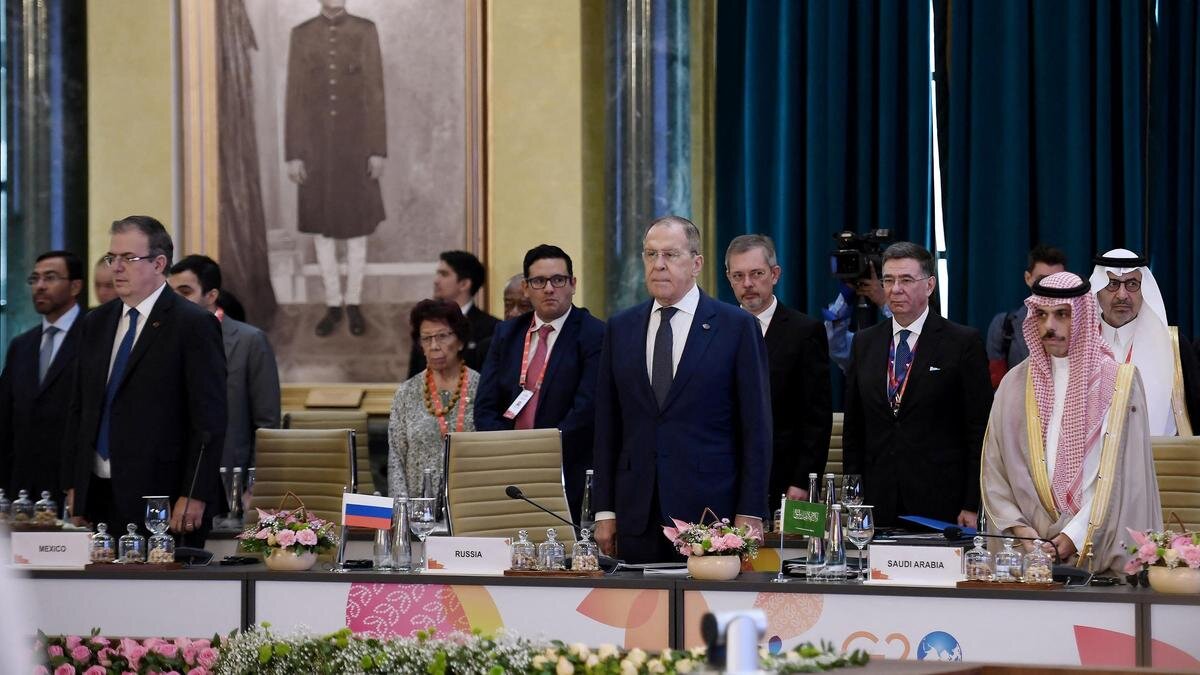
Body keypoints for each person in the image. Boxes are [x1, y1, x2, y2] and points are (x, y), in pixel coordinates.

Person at [592, 216, 772, 563]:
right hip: (636, 513)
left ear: (696, 264)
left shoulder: (736, 327)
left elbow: (757, 428)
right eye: (650, 254)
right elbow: (607, 427)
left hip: (710, 515)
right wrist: (605, 510)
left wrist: (751, 510)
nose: (658, 264)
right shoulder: (621, 327)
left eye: (670, 255)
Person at [982, 272, 1161, 575]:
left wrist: (1072, 537)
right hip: (1026, 556)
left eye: (1062, 315)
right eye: (1041, 315)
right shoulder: (1014, 384)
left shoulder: (1119, 383)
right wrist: (1024, 535)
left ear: (1082, 317)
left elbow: (1124, 479)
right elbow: (995, 472)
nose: (1049, 326)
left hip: (1097, 554)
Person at [63, 216, 226, 543]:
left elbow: (209, 419)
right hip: (99, 493)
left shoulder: (192, 323)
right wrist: (74, 484)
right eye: (112, 258)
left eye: (128, 258)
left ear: (159, 263)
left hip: (165, 497)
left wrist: (195, 492)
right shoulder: (96, 323)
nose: (116, 268)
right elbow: (80, 408)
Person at [842, 242, 992, 528]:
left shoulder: (961, 343)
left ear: (929, 285)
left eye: (906, 280)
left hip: (941, 503)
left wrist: (972, 503)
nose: (895, 289)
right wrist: (854, 496)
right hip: (877, 502)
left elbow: (979, 432)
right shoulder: (865, 342)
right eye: (889, 280)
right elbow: (854, 430)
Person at [475, 245, 605, 522]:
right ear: (526, 288)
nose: (549, 289)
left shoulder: (594, 333)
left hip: (565, 469)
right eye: (539, 281)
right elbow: (485, 406)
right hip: (507, 468)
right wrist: (508, 450)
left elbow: (587, 409)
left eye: (558, 280)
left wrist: (539, 453)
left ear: (573, 284)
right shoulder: (507, 333)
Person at [286, 0, 386, 338]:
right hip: (315, 150)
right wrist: (294, 154)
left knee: (357, 231)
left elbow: (375, 92)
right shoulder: (301, 34)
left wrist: (377, 150)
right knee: (322, 231)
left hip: (356, 147)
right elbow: (294, 97)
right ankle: (333, 304)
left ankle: (353, 302)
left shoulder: (365, 30)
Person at [724, 235, 832, 506]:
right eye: (738, 276)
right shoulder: (715, 330)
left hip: (784, 480)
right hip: (724, 477)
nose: (747, 284)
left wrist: (803, 480)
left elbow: (816, 418)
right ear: (729, 279)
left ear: (775, 274)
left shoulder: (804, 332)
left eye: (756, 273)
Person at [168, 255, 281, 481]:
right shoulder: (164, 338)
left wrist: (254, 485)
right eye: (171, 293)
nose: (175, 301)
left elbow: (267, 424)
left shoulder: (250, 341)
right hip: (174, 471)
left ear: (211, 295)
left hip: (228, 474)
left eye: (185, 292)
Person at [0, 251, 85, 499]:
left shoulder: (94, 336)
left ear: (75, 286)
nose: (40, 286)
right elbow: (6, 418)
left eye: (50, 278)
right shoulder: (21, 345)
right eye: (34, 279)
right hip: (23, 488)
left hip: (72, 483)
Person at [1090, 249, 1200, 436]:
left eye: (1132, 284)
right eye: (1112, 284)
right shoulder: (1081, 345)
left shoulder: (1173, 345)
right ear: (1097, 291)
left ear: (1145, 291)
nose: (1122, 295)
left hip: (1160, 453)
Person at [389, 299, 480, 499]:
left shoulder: (481, 388)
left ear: (460, 341)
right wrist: (402, 509)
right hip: (419, 507)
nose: (434, 346)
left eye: (442, 336)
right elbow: (396, 460)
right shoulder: (406, 393)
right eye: (426, 338)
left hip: (470, 503)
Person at [985, 245, 1067, 388]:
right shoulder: (1004, 326)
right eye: (1043, 280)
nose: (1050, 287)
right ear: (1028, 278)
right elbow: (997, 384)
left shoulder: (1076, 324)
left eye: (1057, 280)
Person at [407, 251, 499, 377]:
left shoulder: (492, 328)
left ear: (464, 284)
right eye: (438, 274)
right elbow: (413, 375)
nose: (436, 281)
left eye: (444, 274)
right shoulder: (426, 324)